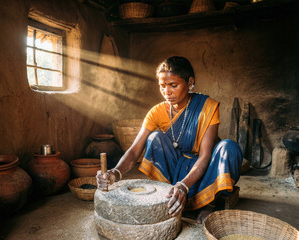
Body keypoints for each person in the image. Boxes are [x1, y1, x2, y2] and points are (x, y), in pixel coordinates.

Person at [96, 56, 242, 223]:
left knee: (229, 147)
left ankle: (209, 202)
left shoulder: (207, 107)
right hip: (177, 167)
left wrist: (184, 185)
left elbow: (205, 156)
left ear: (190, 82)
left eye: (173, 85)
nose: (167, 92)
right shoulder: (156, 112)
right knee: (154, 138)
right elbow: (135, 149)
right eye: (162, 86)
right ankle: (168, 193)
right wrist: (115, 172)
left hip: (205, 168)